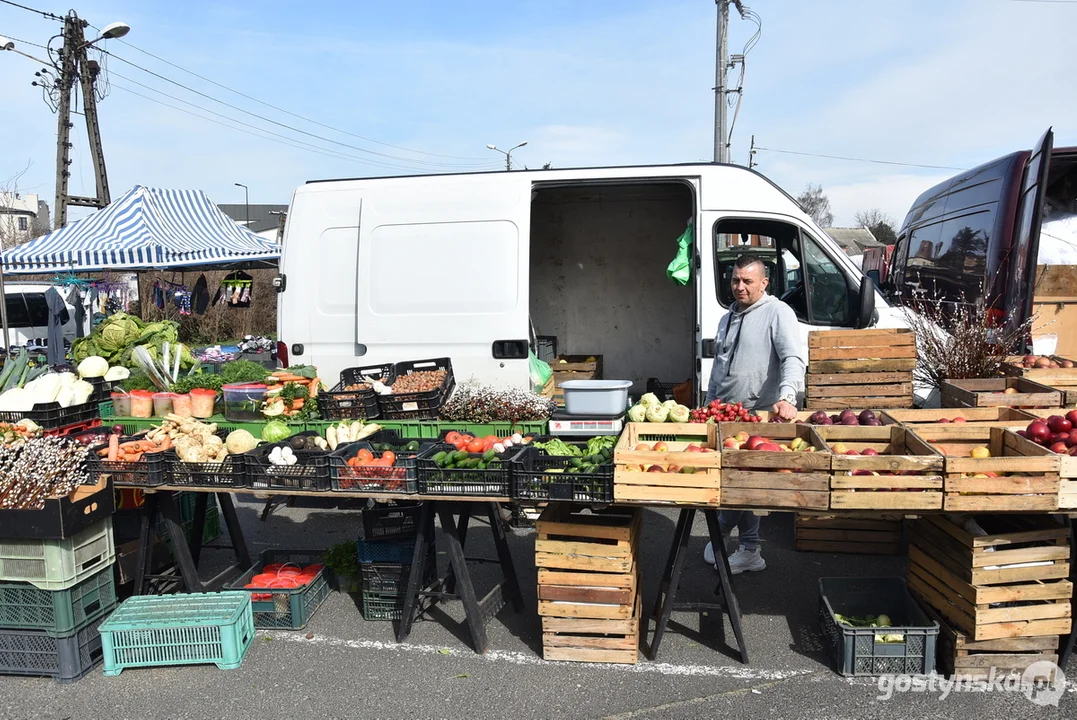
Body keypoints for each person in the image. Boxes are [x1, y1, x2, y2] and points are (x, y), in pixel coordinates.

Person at [701, 253, 806, 574]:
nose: (740, 287)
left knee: (747, 486)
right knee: (733, 484)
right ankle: (738, 539)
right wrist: (709, 406)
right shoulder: (727, 318)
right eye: (735, 280)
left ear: (764, 282)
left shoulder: (778, 313)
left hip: (760, 420)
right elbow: (719, 369)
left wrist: (788, 397)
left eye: (748, 281)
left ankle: (747, 547)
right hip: (727, 418)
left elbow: (792, 358)